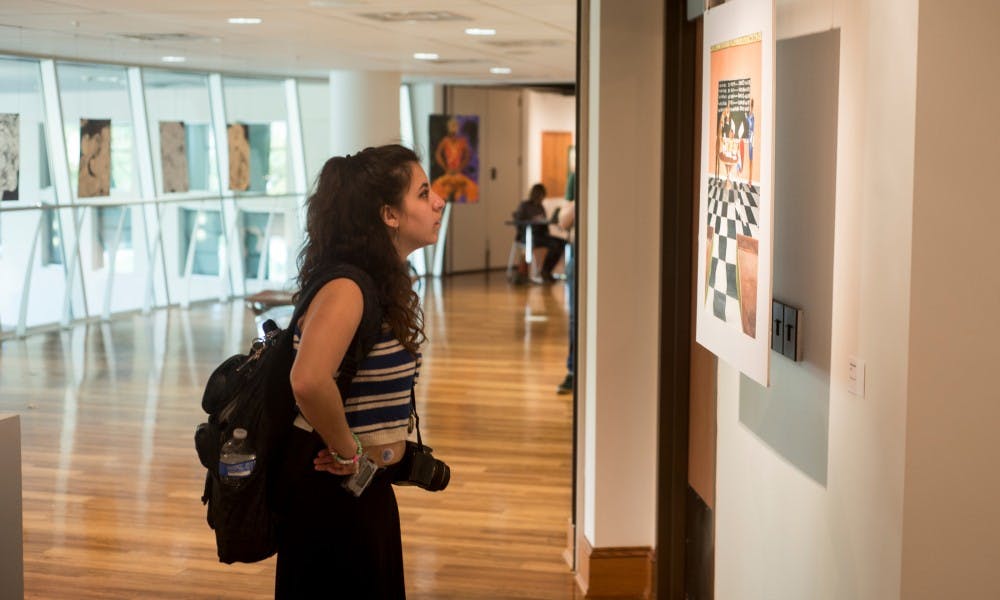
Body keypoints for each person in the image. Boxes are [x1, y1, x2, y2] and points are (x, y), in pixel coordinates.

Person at [275, 144, 445, 598]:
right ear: (389, 214)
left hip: (359, 489)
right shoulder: (348, 287)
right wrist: (349, 453)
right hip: (332, 495)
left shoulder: (378, 283)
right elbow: (308, 379)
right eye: (424, 192)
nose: (438, 201)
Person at [513, 183, 565, 283]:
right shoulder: (525, 206)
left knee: (561, 243)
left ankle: (546, 271)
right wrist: (532, 220)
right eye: (541, 195)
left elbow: (545, 224)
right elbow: (518, 222)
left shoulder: (541, 207)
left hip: (541, 235)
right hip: (527, 236)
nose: (542, 198)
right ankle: (523, 275)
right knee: (550, 244)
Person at [556, 178, 576, 394]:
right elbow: (563, 221)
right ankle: (573, 371)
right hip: (579, 257)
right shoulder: (575, 178)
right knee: (575, 319)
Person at [431, 117, 479, 203]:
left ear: (457, 129)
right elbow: (438, 154)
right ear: (448, 129)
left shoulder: (462, 141)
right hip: (448, 174)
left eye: (455, 127)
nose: (453, 130)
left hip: (458, 174)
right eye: (451, 127)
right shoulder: (445, 141)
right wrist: (445, 167)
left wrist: (460, 168)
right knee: (436, 188)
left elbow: (468, 156)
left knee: (472, 189)